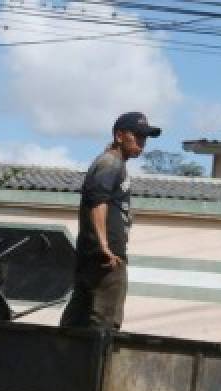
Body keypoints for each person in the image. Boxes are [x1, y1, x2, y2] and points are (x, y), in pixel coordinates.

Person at [60, 111, 161, 330]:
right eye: (137, 136)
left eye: (145, 137)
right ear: (119, 136)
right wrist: (104, 245)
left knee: (78, 323)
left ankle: (66, 360)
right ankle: (93, 363)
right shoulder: (110, 163)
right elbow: (99, 202)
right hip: (107, 258)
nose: (142, 142)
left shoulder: (115, 164)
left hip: (95, 256)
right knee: (104, 326)